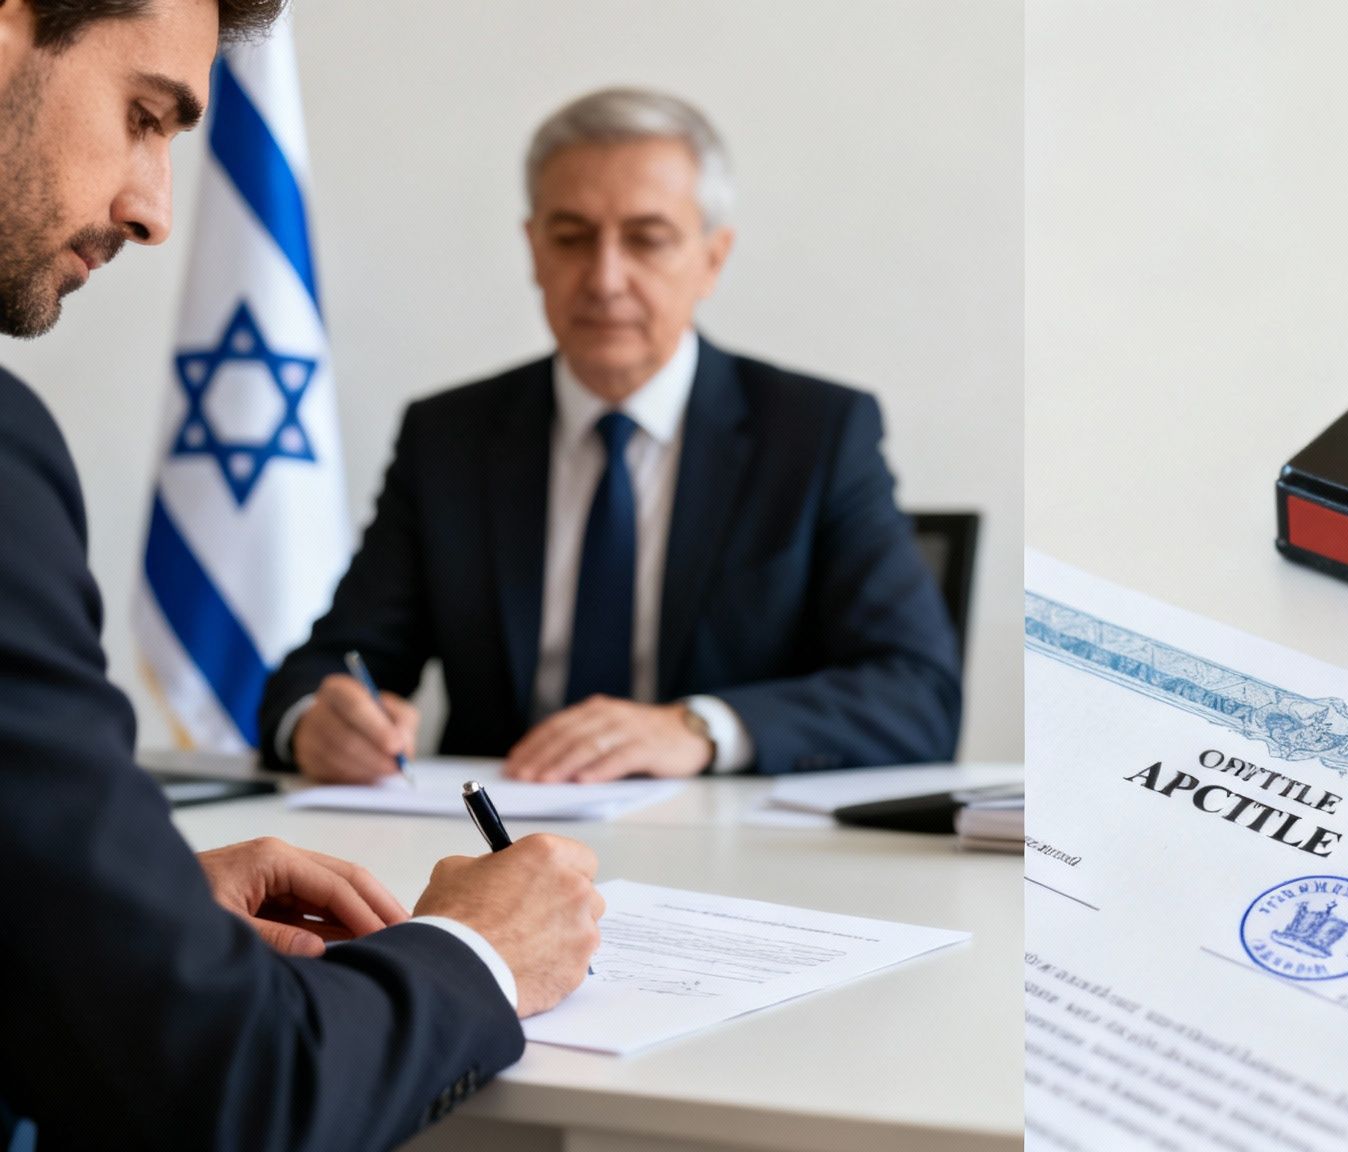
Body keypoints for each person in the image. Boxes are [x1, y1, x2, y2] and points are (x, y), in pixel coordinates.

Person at [0, 2, 604, 1147]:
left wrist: (129, 915)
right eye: (143, 116)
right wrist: (480, 949)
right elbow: (231, 1092)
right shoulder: (455, 439)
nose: (155, 209)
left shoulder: (816, 436)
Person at [258, 87, 962, 786]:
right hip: (501, 832)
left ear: (713, 259)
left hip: (728, 837)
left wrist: (699, 727)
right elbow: (327, 666)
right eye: (571, 238)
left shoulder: (815, 434)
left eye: (647, 239)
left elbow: (918, 692)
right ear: (533, 251)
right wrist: (318, 723)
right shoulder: (449, 438)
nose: (605, 278)